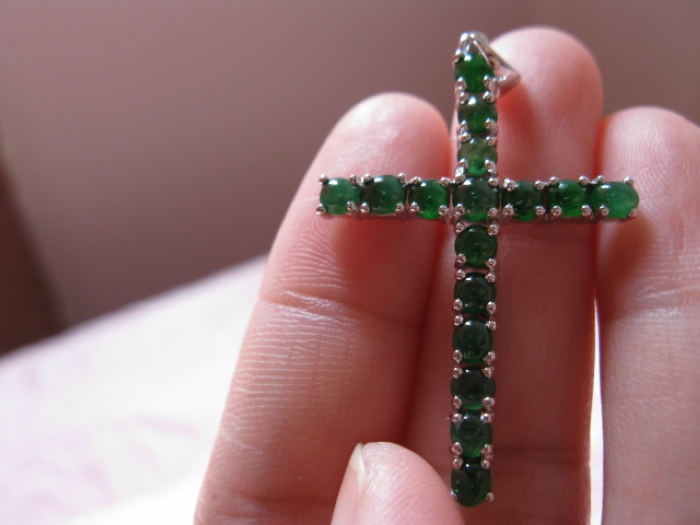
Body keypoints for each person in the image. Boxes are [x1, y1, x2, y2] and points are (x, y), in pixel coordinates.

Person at [194, 27, 699, 524]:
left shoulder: (477, 189)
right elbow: (614, 200)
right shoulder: (477, 188)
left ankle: (470, 471)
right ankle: (470, 470)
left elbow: (615, 201)